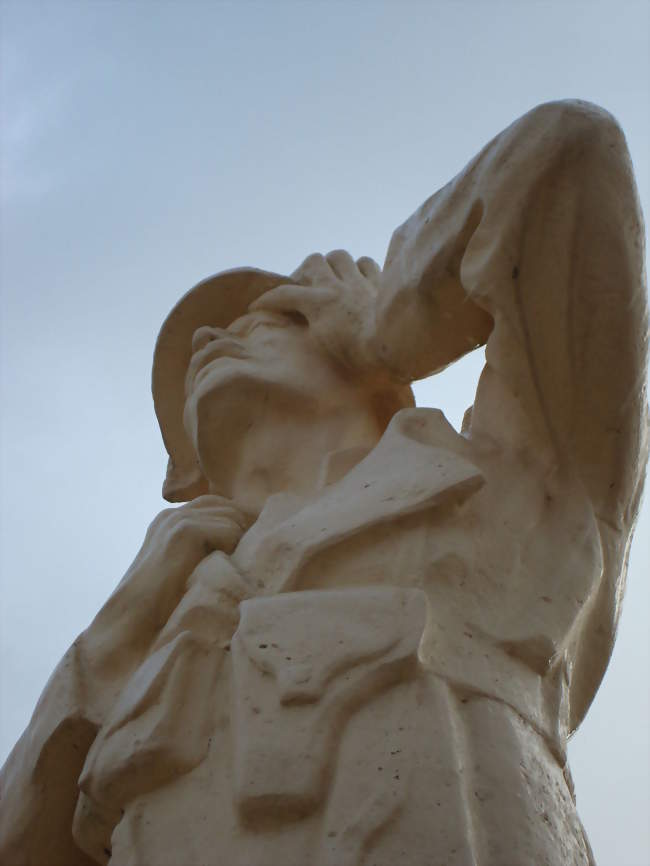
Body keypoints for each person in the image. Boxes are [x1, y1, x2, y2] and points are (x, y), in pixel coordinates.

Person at [0, 100, 646, 866]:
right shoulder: (158, 612)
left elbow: (570, 153)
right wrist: (120, 633)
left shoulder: (502, 482)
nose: (210, 338)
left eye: (267, 318)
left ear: (371, 367)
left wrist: (394, 324)